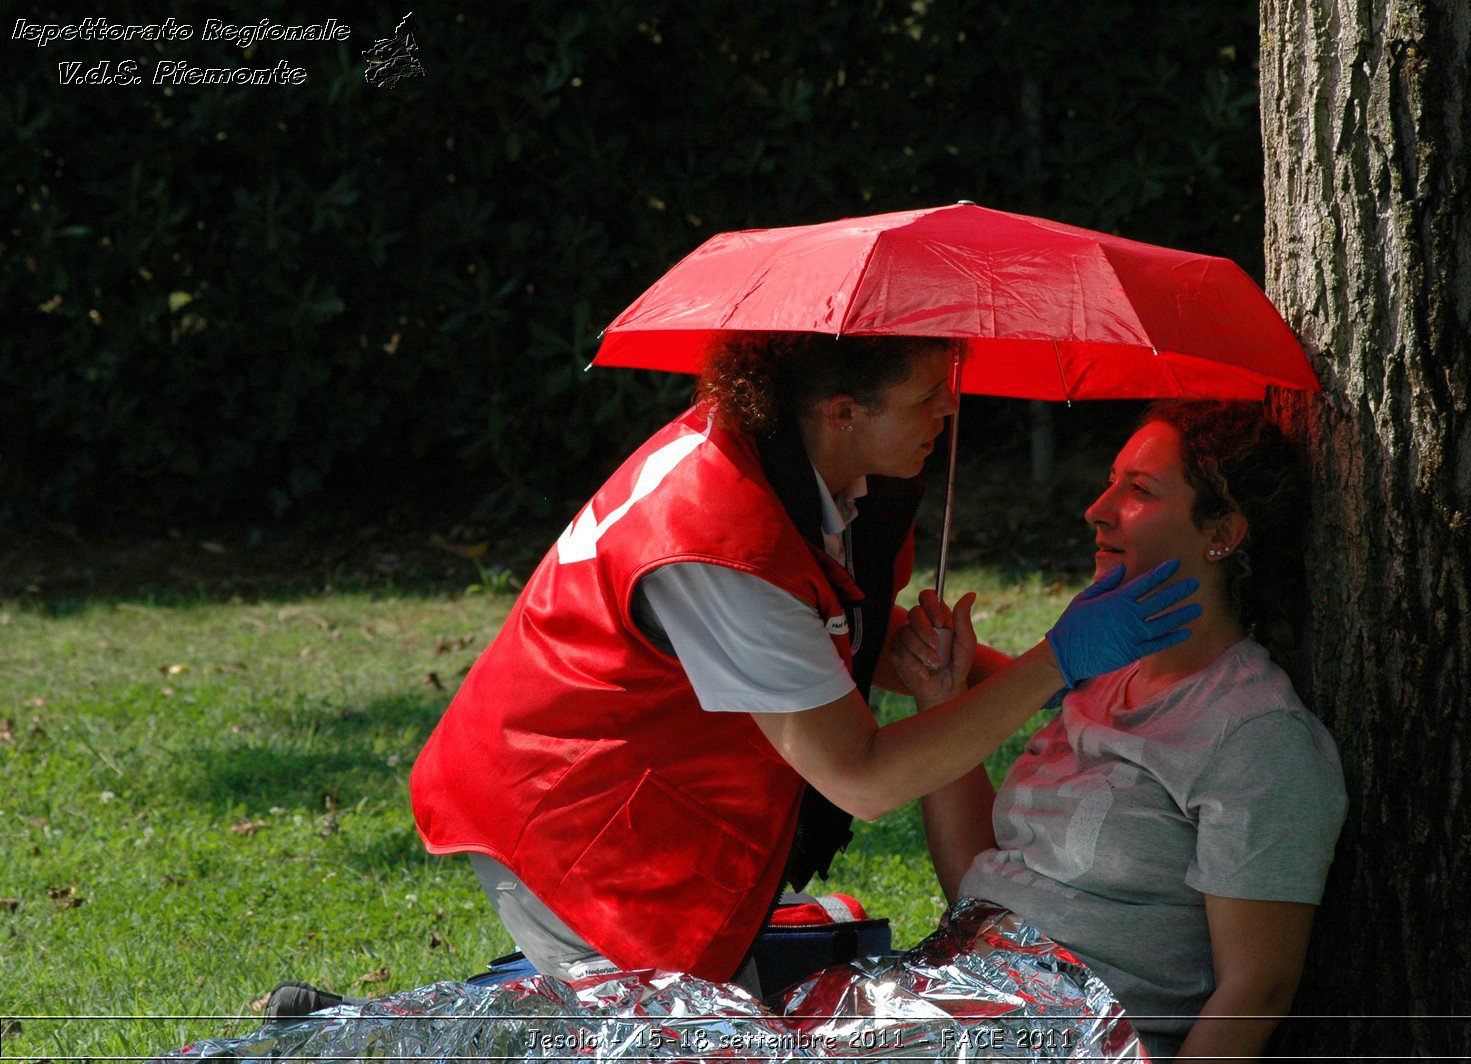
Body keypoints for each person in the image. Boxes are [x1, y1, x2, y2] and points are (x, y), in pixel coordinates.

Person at [409, 333, 1201, 994]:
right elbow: (863, 776)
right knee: (671, 1031)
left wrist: (1055, 684)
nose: (950, 409)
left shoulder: (794, 459)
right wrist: (1054, 664)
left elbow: (830, 631)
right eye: (928, 395)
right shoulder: (721, 539)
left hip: (636, 799)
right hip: (568, 823)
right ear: (844, 413)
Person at [896, 400, 1347, 1062]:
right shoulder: (1098, 679)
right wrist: (939, 698)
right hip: (952, 1006)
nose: (1098, 508)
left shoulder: (1255, 734)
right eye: (1111, 481)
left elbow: (1259, 988)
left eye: (1138, 491)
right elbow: (977, 879)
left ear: (1221, 530)